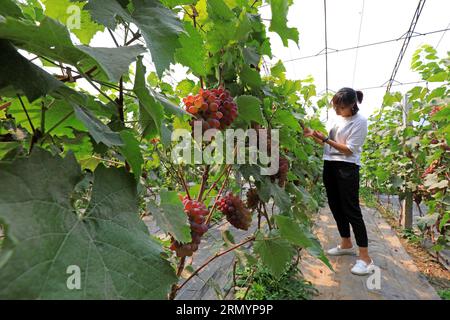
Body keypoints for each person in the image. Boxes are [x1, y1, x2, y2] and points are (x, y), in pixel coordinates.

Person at [303, 87, 375, 275]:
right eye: (335, 106)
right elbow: (328, 143)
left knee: (351, 210)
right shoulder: (335, 118)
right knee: (335, 206)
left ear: (352, 105)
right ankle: (346, 242)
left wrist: (326, 140)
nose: (336, 110)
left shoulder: (360, 122)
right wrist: (315, 135)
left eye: (340, 107)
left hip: (347, 168)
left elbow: (349, 150)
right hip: (330, 165)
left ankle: (365, 258)